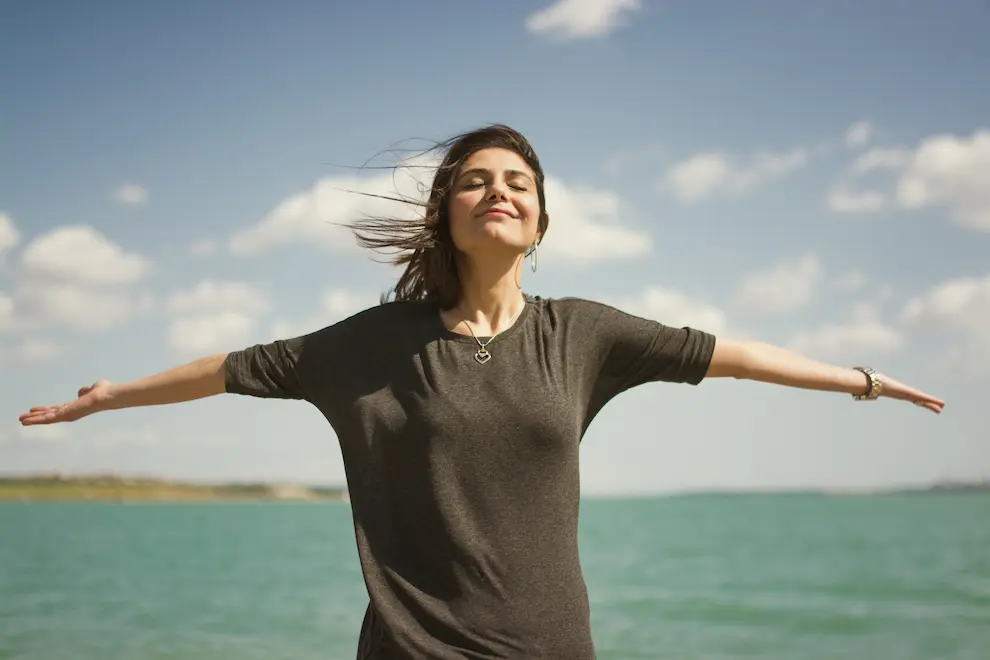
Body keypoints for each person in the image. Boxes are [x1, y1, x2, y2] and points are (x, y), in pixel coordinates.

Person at [19, 124, 944, 659]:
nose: (498, 193)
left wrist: (861, 381)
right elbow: (230, 368)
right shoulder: (373, 344)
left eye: (517, 183)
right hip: (410, 648)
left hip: (551, 646)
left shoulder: (584, 332)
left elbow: (731, 355)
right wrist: (109, 398)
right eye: (474, 182)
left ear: (539, 219)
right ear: (447, 212)